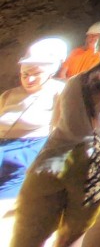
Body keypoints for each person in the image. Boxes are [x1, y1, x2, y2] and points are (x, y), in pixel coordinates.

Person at [11, 20, 100, 247]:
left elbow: (56, 122)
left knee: (26, 237)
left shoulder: (72, 81)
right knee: (71, 237)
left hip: (50, 160)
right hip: (89, 169)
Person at [0, 39, 67, 200]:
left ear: (51, 72)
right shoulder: (9, 95)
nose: (29, 80)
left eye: (36, 74)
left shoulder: (59, 92)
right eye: (25, 74)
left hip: (27, 152)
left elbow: (62, 129)